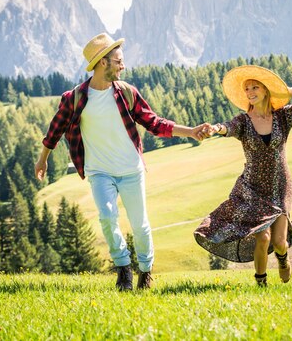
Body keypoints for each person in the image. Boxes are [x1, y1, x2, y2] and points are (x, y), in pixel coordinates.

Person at [35, 33, 209, 291]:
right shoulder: (75, 98)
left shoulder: (127, 93)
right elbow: (55, 129)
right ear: (103, 63)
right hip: (99, 171)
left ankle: (146, 271)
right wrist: (43, 160)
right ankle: (123, 269)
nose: (123, 66)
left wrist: (191, 131)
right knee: (107, 218)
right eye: (118, 61)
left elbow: (154, 123)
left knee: (140, 225)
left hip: (130, 171)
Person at [194, 65, 292, 286]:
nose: (250, 92)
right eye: (247, 88)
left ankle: (283, 260)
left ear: (266, 90)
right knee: (263, 237)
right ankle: (261, 282)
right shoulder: (243, 122)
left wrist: (282, 90)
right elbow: (226, 127)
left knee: (278, 242)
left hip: (279, 186)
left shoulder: (283, 118)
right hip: (252, 189)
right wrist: (215, 128)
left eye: (255, 87)